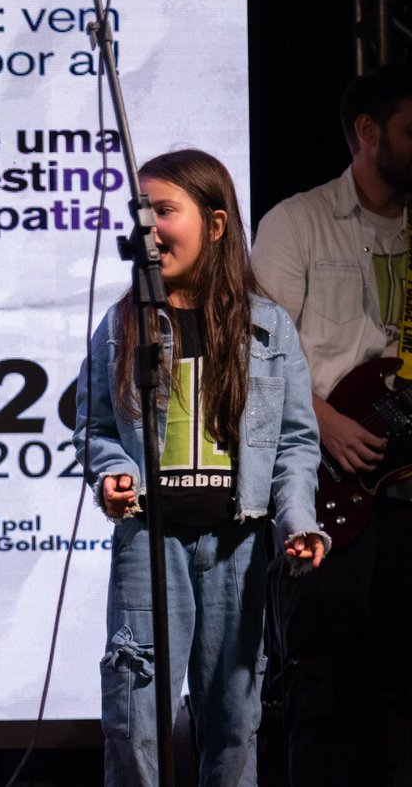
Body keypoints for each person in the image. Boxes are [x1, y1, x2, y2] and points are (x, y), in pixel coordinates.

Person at [78, 149, 327, 787]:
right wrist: (112, 475)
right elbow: (96, 426)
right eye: (142, 212)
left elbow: (296, 442)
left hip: (236, 547)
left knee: (234, 719)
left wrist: (297, 520)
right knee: (136, 718)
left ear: (215, 225)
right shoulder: (123, 324)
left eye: (165, 210)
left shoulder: (266, 327)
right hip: (149, 543)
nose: (149, 227)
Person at [251, 65, 412, 785]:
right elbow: (257, 358)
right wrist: (328, 424)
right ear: (369, 133)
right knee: (327, 693)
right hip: (328, 486)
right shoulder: (298, 222)